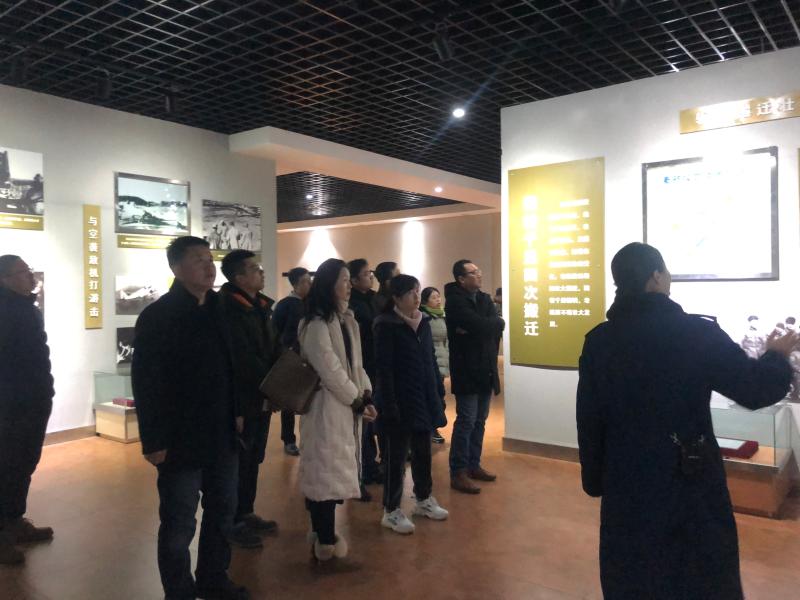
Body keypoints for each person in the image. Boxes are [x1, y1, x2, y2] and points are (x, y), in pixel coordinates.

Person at [577, 242, 797, 600]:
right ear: (656, 277)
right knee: (698, 572)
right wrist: (776, 357)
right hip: (687, 478)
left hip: (627, 481)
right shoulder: (696, 333)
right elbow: (754, 390)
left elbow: (590, 418)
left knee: (634, 570)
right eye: (666, 272)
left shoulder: (599, 341)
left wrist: (595, 479)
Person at [132, 236, 248, 600]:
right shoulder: (158, 316)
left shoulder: (221, 308)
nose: (209, 266)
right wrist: (153, 441)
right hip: (180, 438)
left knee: (222, 512)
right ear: (176, 267)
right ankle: (179, 591)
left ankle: (213, 579)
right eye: (199, 260)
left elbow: (232, 366)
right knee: (179, 522)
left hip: (221, 434)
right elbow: (146, 382)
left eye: (210, 259)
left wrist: (238, 411)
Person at [297, 258, 377, 561]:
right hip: (326, 408)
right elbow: (329, 369)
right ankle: (325, 538)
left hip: (345, 405)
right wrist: (356, 399)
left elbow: (356, 364)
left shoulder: (346, 319)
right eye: (344, 280)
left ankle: (323, 534)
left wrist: (365, 393)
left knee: (333, 470)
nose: (349, 285)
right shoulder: (316, 323)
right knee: (324, 474)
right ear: (329, 284)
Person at [374, 275, 448, 534]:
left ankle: (423, 498)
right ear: (396, 298)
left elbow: (430, 360)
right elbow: (384, 370)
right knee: (395, 458)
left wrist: (436, 392)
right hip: (398, 401)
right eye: (410, 293)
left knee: (423, 452)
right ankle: (391, 510)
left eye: (418, 291)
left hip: (422, 398)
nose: (417, 297)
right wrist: (389, 405)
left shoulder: (423, 322)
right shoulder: (386, 325)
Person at [219, 250, 279, 549]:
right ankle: (232, 521)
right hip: (244, 397)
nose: (262, 273)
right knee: (239, 461)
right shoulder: (228, 308)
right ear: (239, 277)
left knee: (253, 457)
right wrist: (271, 382)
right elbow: (240, 358)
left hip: (262, 394)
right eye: (255, 269)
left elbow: (272, 347)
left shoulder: (261, 306)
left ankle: (246, 511)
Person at [0, 255, 54, 566]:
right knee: (7, 466)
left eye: (29, 271)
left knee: (23, 464)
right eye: (22, 273)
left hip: (34, 398)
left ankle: (14, 521)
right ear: (5, 280)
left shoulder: (25, 308)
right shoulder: (5, 311)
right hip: (11, 403)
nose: (30, 277)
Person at [445, 260, 504, 494]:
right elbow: (481, 325)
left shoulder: (484, 298)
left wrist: (483, 326)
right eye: (474, 272)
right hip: (466, 370)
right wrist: (485, 326)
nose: (479, 275)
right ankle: (458, 471)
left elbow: (497, 323)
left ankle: (473, 464)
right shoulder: (455, 301)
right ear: (461, 279)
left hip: (486, 368)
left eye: (479, 271)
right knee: (466, 421)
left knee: (480, 420)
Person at [347, 258, 381, 498]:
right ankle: (359, 474)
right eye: (366, 274)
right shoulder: (351, 308)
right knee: (360, 425)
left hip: (371, 368)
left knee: (369, 420)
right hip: (359, 369)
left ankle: (369, 467)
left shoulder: (373, 299)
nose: (371, 277)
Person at [271, 267, 312, 456]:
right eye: (305, 281)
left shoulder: (310, 304)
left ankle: (308, 438)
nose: (309, 284)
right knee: (289, 402)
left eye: (309, 280)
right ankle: (289, 439)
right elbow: (276, 331)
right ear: (295, 284)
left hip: (310, 358)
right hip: (291, 357)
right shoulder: (285, 305)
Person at [420, 286, 448, 444]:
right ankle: (430, 429)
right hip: (431, 362)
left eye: (438, 296)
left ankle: (433, 427)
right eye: (434, 297)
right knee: (431, 396)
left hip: (441, 361)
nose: (438, 300)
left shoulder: (442, 315)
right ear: (425, 301)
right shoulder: (425, 318)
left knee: (439, 395)